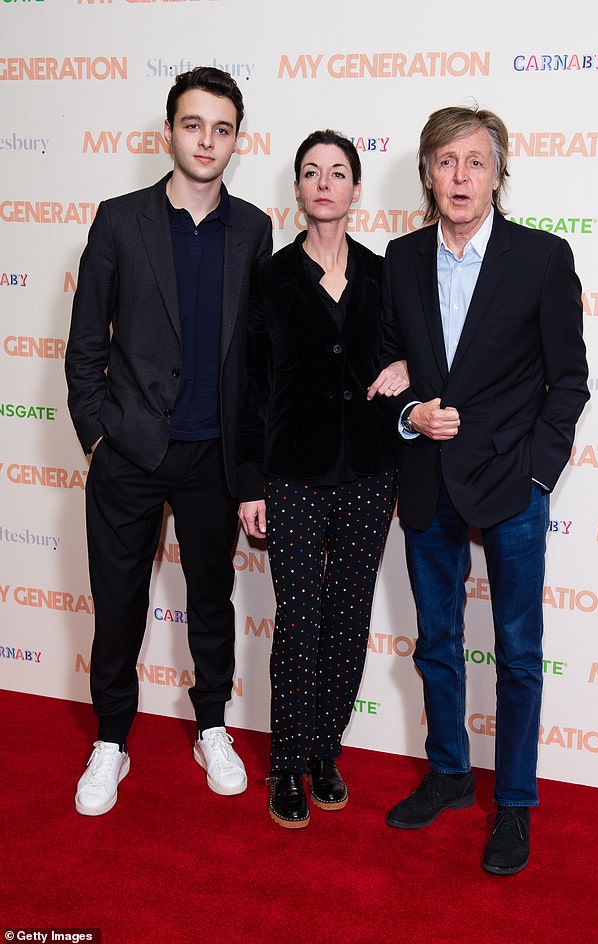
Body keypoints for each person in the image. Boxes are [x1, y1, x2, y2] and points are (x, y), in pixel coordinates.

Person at [369, 106, 589, 873]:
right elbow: (389, 365)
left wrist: (537, 473)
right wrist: (408, 414)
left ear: (498, 175)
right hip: (428, 481)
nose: (460, 177)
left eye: (475, 162)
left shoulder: (541, 258)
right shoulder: (398, 259)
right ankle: (450, 774)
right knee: (436, 643)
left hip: (511, 485)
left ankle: (516, 805)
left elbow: (570, 382)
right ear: (427, 174)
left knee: (519, 654)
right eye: (445, 162)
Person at [65, 66, 272, 816]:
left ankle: (210, 724)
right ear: (169, 132)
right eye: (193, 124)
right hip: (129, 452)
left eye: (221, 128)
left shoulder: (252, 229)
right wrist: (97, 436)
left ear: (235, 142)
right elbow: (85, 343)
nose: (206, 139)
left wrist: (248, 464)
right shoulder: (119, 219)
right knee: (118, 602)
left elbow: (252, 360)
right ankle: (111, 741)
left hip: (211, 457)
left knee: (212, 600)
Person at [238, 130, 407, 828]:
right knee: (300, 621)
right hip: (293, 477)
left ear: (357, 188)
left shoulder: (384, 273)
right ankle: (285, 763)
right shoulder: (272, 278)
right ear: (299, 190)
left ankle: (325, 751)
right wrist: (251, 482)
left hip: (370, 474)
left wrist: (412, 372)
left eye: (338, 172)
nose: (324, 183)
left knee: (348, 619)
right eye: (311, 172)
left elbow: (419, 351)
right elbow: (250, 387)